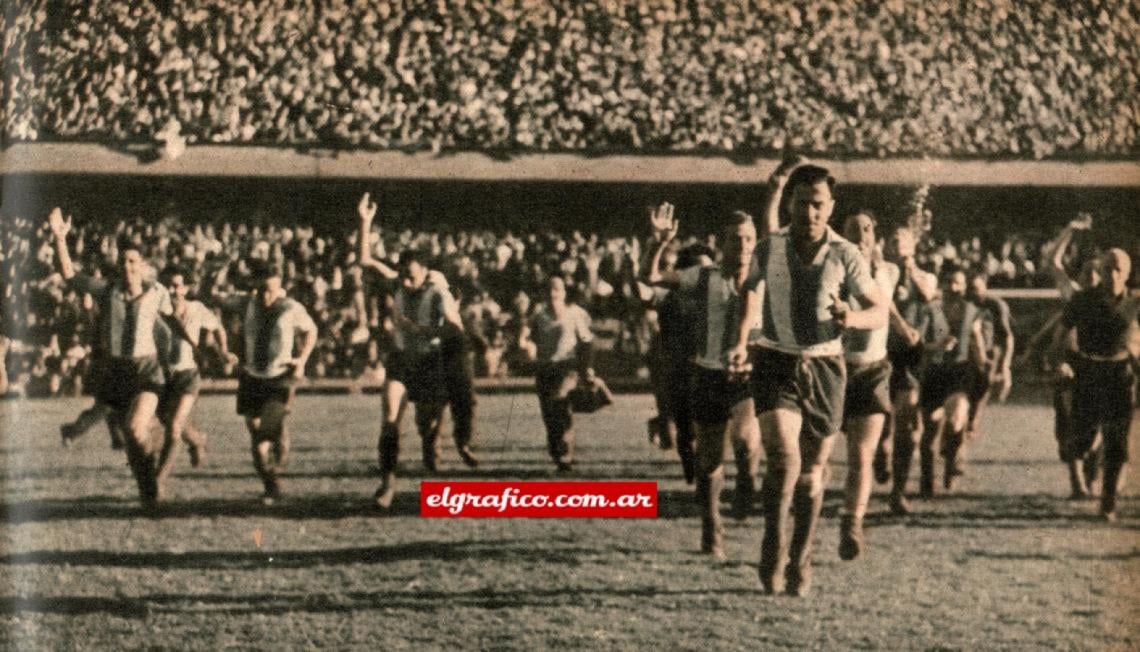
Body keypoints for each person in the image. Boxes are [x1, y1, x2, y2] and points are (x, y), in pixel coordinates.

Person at [727, 165, 888, 596]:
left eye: (818, 204)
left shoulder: (845, 254)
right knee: (783, 462)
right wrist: (745, 338)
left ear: (830, 208)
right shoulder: (769, 247)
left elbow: (879, 309)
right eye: (802, 203)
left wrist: (851, 317)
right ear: (792, 204)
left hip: (825, 367)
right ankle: (772, 547)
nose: (810, 212)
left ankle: (801, 560)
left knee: (812, 474)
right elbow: (749, 289)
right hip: (776, 362)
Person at [643, 204, 761, 559]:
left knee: (743, 439)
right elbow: (650, 277)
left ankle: (746, 479)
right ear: (722, 243)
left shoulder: (765, 278)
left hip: (748, 375)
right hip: (709, 373)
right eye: (736, 239)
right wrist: (658, 244)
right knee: (708, 461)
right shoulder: (704, 276)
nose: (742, 246)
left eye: (749, 239)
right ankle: (712, 530)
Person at [48, 207, 173, 507]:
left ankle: (150, 489)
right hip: (117, 372)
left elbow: (174, 325)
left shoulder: (157, 293)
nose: (127, 267)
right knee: (132, 440)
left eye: (132, 261)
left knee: (133, 428)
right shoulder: (107, 292)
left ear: (143, 266)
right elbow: (70, 275)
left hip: (147, 370)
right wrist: (59, 239)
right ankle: (149, 485)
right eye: (123, 261)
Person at [356, 193, 479, 479]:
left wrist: (420, 330)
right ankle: (387, 480)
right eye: (404, 274)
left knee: (428, 421)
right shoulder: (397, 283)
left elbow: (454, 329)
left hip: (430, 360)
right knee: (389, 420)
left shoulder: (437, 293)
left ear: (425, 273)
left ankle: (432, 447)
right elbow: (365, 260)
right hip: (402, 359)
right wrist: (365, 222)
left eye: (412, 275)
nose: (407, 281)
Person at [225, 262, 317, 505]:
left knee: (261, 443)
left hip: (280, 377)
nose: (267, 295)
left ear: (279, 288)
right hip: (251, 377)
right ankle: (270, 478)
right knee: (256, 434)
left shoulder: (290, 308)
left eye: (272, 290)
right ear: (254, 287)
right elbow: (217, 300)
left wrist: (302, 359)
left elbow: (311, 330)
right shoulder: (246, 304)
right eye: (262, 289)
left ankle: (272, 485)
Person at [836, 211, 899, 559]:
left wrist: (903, 329)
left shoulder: (888, 271)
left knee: (861, 454)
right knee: (817, 455)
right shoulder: (834, 269)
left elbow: (886, 307)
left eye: (867, 228)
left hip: (872, 370)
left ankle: (852, 524)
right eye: (853, 229)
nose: (861, 234)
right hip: (833, 368)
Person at [1061, 249, 1139, 521]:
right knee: (1081, 438)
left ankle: (1108, 503)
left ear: (1127, 273)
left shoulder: (1134, 304)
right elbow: (1061, 333)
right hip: (1088, 372)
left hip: (1120, 375)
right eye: (1108, 268)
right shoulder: (1083, 300)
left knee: (1117, 442)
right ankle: (1089, 452)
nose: (1112, 275)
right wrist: (1061, 361)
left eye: (1118, 269)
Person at [153, 268, 237, 500]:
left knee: (173, 426)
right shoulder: (155, 310)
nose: (174, 290)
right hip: (162, 376)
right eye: (169, 285)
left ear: (186, 288)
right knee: (168, 420)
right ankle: (198, 440)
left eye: (178, 285)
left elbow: (218, 327)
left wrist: (224, 351)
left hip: (188, 375)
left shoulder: (196, 309)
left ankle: (158, 480)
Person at [916, 266, 987, 498]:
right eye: (949, 283)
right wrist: (937, 346)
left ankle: (950, 460)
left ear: (964, 287)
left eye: (958, 283)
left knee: (956, 419)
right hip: (935, 372)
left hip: (960, 371)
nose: (953, 288)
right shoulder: (931, 311)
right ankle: (927, 482)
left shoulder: (971, 311)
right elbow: (918, 343)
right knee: (930, 429)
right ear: (942, 286)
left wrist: (983, 364)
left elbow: (976, 340)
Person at [518, 276, 596, 472]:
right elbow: (526, 334)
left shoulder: (575, 313)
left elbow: (587, 341)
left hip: (567, 368)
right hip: (545, 369)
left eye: (557, 290)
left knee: (560, 403)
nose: (553, 294)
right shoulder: (539, 314)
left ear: (564, 293)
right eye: (550, 290)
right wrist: (524, 342)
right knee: (548, 413)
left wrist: (586, 367)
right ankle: (556, 449)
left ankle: (565, 452)